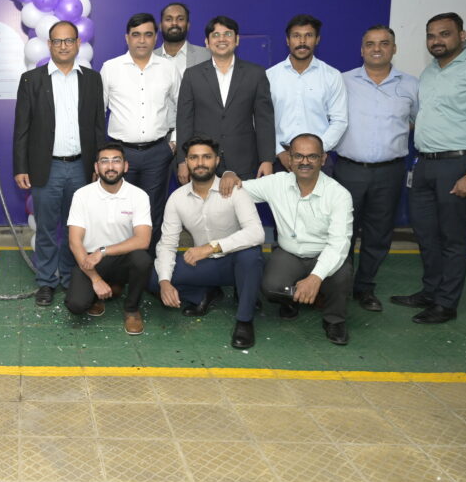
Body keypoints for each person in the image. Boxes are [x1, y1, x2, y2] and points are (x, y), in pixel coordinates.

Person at [393, 12, 466, 324]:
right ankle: (430, 292)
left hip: (458, 163)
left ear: (461, 35)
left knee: (453, 237)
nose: (437, 41)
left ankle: (446, 303)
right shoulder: (430, 72)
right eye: (431, 36)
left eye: (444, 34)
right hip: (425, 164)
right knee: (426, 234)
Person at [221, 133, 354, 345]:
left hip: (324, 253)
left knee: (341, 276)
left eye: (312, 156)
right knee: (271, 286)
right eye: (299, 156)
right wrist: (228, 175)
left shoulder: (339, 195)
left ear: (323, 159)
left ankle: (334, 319)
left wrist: (315, 278)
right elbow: (238, 189)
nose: (305, 162)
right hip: (289, 254)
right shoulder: (277, 183)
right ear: (289, 160)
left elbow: (338, 244)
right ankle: (294, 300)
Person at [13, 20, 106, 306]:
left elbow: (98, 126)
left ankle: (69, 277)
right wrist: (20, 167)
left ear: (78, 44)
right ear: (49, 45)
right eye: (57, 41)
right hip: (46, 167)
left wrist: (100, 164)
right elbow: (22, 128)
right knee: (46, 229)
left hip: (81, 167)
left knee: (74, 229)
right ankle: (46, 281)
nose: (63, 46)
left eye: (69, 41)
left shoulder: (92, 79)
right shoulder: (32, 80)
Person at [334, 26, 418, 313]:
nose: (377, 48)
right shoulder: (342, 81)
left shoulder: (411, 85)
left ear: (394, 48)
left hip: (389, 172)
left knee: (378, 233)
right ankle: (338, 288)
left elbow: (418, 121)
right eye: (370, 44)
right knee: (342, 232)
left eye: (384, 43)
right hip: (348, 170)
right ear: (361, 49)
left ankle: (365, 288)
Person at [151, 136, 265, 349]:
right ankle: (205, 293)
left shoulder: (234, 190)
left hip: (236, 263)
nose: (200, 163)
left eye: (206, 157)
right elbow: (167, 244)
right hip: (207, 265)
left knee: (251, 256)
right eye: (194, 158)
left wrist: (211, 246)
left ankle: (244, 320)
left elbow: (257, 233)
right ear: (186, 162)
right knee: (154, 277)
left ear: (217, 161)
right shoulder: (177, 198)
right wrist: (165, 282)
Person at [100, 13, 180, 253]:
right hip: (121, 154)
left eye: (147, 34)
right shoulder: (111, 68)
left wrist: (173, 143)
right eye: (136, 35)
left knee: (152, 213)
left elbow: (182, 109)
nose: (142, 40)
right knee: (117, 212)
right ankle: (118, 268)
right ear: (127, 38)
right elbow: (97, 113)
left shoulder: (169, 68)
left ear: (155, 37)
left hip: (158, 153)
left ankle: (148, 270)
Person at [64, 143, 153, 335]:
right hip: (90, 262)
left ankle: (131, 309)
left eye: (116, 161)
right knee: (76, 305)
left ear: (125, 166)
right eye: (104, 161)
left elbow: (143, 240)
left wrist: (102, 251)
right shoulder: (82, 195)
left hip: (123, 258)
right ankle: (102, 291)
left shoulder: (139, 196)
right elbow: (75, 242)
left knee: (142, 259)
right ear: (96, 167)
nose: (110, 166)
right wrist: (95, 279)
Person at [175, 16, 275, 184]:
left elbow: (264, 120)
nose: (221, 39)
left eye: (227, 34)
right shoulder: (192, 75)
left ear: (236, 40)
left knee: (242, 209)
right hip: (202, 162)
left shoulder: (255, 74)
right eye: (215, 35)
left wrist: (267, 159)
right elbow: (184, 121)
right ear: (207, 42)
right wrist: (182, 161)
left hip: (244, 161)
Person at [266, 15, 348, 170]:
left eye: (308, 35)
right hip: (279, 159)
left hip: (319, 160)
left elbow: (340, 120)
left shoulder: (331, 75)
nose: (302, 42)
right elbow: (262, 120)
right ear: (287, 40)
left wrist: (316, 152)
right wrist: (279, 152)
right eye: (296, 36)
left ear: (317, 39)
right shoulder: (270, 76)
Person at [153, 2, 211, 75]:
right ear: (160, 26)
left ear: (188, 25)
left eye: (180, 19)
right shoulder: (149, 58)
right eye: (168, 19)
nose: (174, 23)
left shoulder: (206, 55)